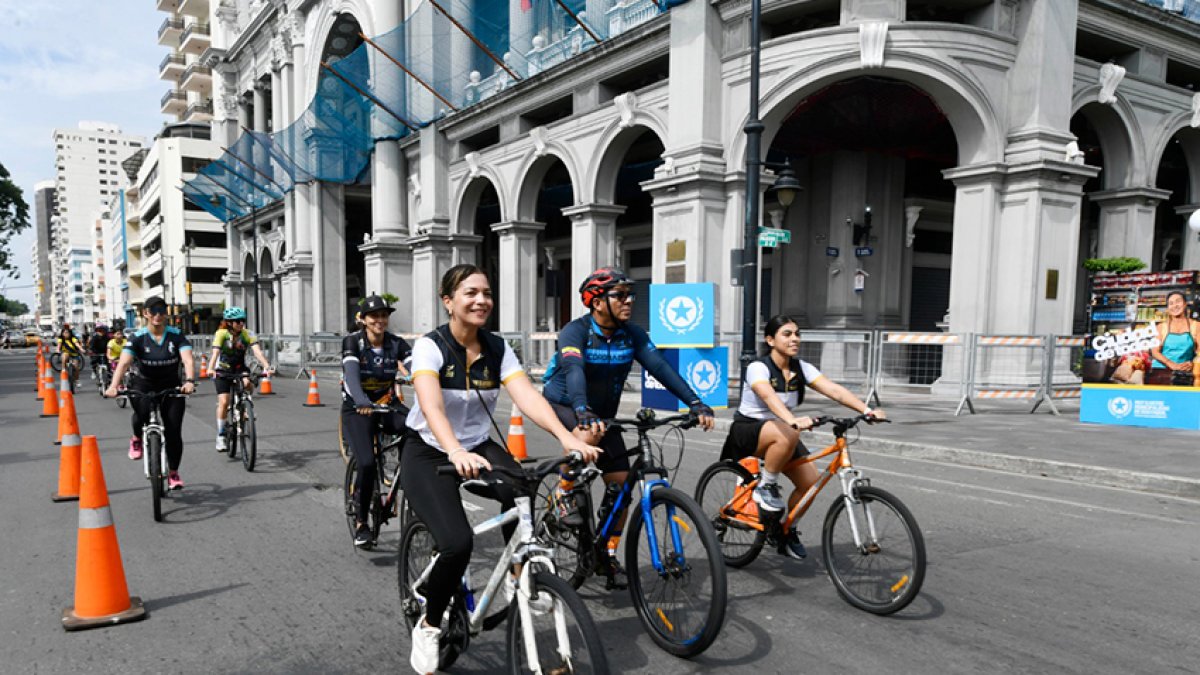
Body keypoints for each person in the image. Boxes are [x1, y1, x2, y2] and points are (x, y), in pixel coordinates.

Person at [401, 264, 600, 675]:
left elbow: (526, 395)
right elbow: (431, 404)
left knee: (522, 489)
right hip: (430, 450)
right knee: (457, 544)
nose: (481, 300)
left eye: (487, 293)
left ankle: (519, 576)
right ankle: (430, 623)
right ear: (448, 301)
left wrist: (567, 438)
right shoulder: (430, 347)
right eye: (470, 292)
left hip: (478, 446)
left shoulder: (496, 347)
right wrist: (453, 449)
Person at [540, 266, 716, 588]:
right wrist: (581, 409)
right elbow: (574, 369)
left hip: (602, 415)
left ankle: (606, 555)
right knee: (590, 432)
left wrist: (695, 402)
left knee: (621, 487)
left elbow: (660, 367)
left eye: (629, 295)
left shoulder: (631, 334)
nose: (628, 301)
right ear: (596, 302)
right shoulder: (575, 332)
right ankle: (563, 494)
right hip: (565, 405)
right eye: (619, 295)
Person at [720, 314, 886, 559]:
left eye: (797, 333)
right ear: (770, 340)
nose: (794, 339)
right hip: (748, 431)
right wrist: (792, 419)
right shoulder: (759, 367)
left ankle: (786, 531)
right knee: (789, 432)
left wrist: (866, 410)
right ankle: (767, 485)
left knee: (810, 485)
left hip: (783, 433)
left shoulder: (802, 368)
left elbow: (834, 390)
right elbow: (768, 396)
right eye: (787, 334)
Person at [340, 295, 412, 548]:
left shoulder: (395, 343)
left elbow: (415, 364)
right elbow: (351, 376)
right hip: (357, 408)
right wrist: (361, 401)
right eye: (374, 316)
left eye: (384, 315)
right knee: (367, 462)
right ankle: (361, 522)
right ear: (363, 320)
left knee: (416, 427)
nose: (380, 320)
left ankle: (409, 475)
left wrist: (422, 378)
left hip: (386, 402)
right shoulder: (354, 342)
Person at [105, 296, 196, 489]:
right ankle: (137, 438)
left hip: (171, 386)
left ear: (166, 313)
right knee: (142, 413)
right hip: (143, 384)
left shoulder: (176, 335)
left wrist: (189, 381)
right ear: (145, 313)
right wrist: (114, 386)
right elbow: (123, 363)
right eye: (153, 311)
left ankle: (173, 473)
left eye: (161, 311)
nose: (157, 315)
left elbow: (187, 360)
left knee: (173, 431)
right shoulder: (137, 337)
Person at [208, 307, 273, 452]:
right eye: (238, 321)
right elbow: (215, 352)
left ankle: (245, 405)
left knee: (247, 382)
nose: (241, 323)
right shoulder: (221, 334)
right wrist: (210, 368)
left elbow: (257, 352)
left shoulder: (247, 334)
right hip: (222, 369)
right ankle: (221, 435)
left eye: (243, 320)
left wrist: (267, 366)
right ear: (229, 323)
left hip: (239, 367)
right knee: (224, 402)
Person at [1148, 291, 1199, 386]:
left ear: (1185, 304)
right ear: (1168, 308)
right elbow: (1155, 352)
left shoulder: (1196, 326)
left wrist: (1192, 363)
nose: (1175, 305)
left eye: (1178, 301)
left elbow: (1199, 353)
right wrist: (1172, 364)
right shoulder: (1161, 327)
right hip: (1161, 372)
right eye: (1171, 303)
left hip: (1185, 372)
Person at [57, 325, 85, 389]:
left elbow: (77, 345)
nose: (66, 334)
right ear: (62, 333)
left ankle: (77, 380)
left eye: (67, 333)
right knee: (64, 356)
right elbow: (59, 345)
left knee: (76, 367)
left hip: (74, 353)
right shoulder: (61, 339)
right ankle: (63, 369)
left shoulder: (73, 338)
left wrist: (81, 349)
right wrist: (58, 350)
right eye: (64, 333)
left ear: (70, 333)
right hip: (66, 352)